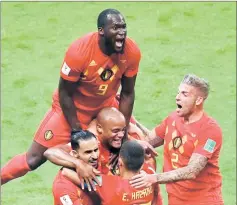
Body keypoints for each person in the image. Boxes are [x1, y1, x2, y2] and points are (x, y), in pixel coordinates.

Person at [1, 8, 141, 185]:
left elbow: (128, 93)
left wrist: (124, 133)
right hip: (70, 111)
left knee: (117, 155)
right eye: (115, 28)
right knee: (33, 159)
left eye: (124, 28)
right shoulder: (79, 51)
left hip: (103, 112)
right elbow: (64, 93)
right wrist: (77, 130)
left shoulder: (131, 52)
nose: (122, 33)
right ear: (101, 31)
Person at [130, 74, 224, 205]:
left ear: (198, 100)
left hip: (203, 200)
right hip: (175, 199)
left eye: (184, 94)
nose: (177, 97)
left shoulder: (210, 130)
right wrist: (129, 120)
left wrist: (154, 178)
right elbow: (149, 140)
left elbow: (191, 171)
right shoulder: (173, 118)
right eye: (178, 92)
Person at [53, 137, 159, 205]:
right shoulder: (150, 174)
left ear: (120, 162)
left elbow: (67, 173)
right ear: (142, 163)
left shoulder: (111, 185)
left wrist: (74, 165)